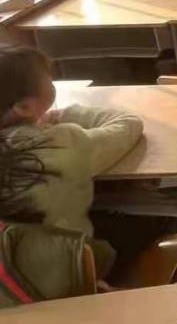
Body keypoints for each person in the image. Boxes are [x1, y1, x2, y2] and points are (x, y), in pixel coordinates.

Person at [0, 46, 143, 276]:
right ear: (24, 107)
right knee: (149, 224)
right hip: (66, 273)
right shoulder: (59, 143)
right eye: (48, 76)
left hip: (8, 281)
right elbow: (127, 124)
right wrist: (65, 116)